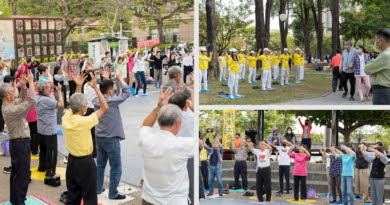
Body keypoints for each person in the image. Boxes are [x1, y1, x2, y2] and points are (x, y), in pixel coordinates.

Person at [138, 87, 195, 205]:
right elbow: (202, 140)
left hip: (148, 200)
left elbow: (145, 125)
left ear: (158, 121)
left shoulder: (146, 138)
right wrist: (195, 109)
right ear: (178, 122)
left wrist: (158, 107)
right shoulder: (183, 145)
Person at [62, 72, 109, 204]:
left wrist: (78, 86)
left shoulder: (66, 118)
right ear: (83, 108)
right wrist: (96, 88)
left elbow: (73, 104)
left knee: (72, 196)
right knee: (90, 197)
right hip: (85, 164)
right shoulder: (85, 121)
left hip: (71, 161)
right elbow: (105, 107)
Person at [0, 70, 36, 205]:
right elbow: (31, 100)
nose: (15, 89)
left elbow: (21, 99)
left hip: (18, 144)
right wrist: (31, 84)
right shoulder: (10, 110)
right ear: (8, 95)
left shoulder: (9, 105)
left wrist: (23, 86)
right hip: (20, 144)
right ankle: (19, 202)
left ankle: (16, 200)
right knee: (22, 176)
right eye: (13, 88)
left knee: (16, 174)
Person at [94, 69, 130, 200]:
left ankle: (98, 188)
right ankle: (113, 193)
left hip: (99, 137)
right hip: (111, 139)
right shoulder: (111, 101)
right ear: (110, 91)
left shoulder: (96, 99)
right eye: (112, 89)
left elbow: (106, 91)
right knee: (116, 168)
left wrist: (106, 79)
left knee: (100, 165)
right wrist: (120, 78)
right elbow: (126, 93)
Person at [168, 89, 195, 204]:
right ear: (186, 105)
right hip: (188, 156)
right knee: (190, 185)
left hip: (172, 156)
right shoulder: (192, 118)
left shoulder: (167, 119)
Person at [36, 80, 64, 181]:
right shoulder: (47, 100)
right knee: (52, 152)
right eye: (48, 88)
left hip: (41, 128)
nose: (50, 89)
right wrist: (59, 91)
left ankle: (42, 167)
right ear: (44, 90)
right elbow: (61, 104)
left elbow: (50, 97)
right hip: (49, 130)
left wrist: (50, 89)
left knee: (43, 150)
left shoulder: (38, 98)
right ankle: (51, 172)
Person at [364, 28, 390, 104]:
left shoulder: (385, 55)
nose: (376, 43)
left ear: (381, 40)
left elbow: (367, 69)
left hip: (382, 92)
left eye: (376, 40)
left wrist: (371, 62)